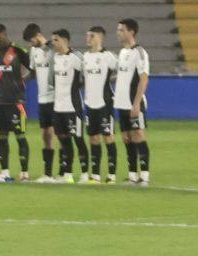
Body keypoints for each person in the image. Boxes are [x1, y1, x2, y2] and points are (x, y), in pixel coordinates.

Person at [0, 24, 33, 183]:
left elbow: (32, 67)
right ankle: (5, 172)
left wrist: (24, 80)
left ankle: (25, 173)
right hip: (0, 103)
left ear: (5, 34)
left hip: (17, 103)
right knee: (2, 138)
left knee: (20, 137)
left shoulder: (18, 51)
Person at [114, 18, 152, 187]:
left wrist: (136, 104)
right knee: (127, 138)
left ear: (131, 32)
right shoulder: (122, 53)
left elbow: (143, 79)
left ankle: (144, 176)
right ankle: (131, 175)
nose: (118, 33)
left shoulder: (140, 52)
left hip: (133, 103)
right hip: (121, 103)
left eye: (121, 30)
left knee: (138, 136)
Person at [81, 26, 120, 185]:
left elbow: (123, 71)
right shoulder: (85, 57)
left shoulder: (108, 56)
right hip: (90, 103)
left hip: (105, 103)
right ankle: (95, 175)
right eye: (88, 35)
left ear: (100, 38)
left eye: (91, 35)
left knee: (108, 137)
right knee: (93, 138)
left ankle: (111, 175)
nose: (88, 38)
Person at [48, 30, 87, 183]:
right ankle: (68, 174)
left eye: (56, 40)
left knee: (78, 139)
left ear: (65, 40)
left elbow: (88, 76)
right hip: (58, 107)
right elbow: (52, 81)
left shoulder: (76, 57)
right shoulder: (55, 57)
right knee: (64, 141)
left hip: (73, 107)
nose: (53, 43)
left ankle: (85, 174)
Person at [26, 24, 61, 181]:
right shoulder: (34, 51)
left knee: (61, 135)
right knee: (46, 135)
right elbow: (33, 71)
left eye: (31, 40)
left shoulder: (53, 49)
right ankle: (47, 173)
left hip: (56, 98)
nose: (30, 43)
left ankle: (63, 172)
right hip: (42, 99)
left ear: (38, 35)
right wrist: (23, 79)